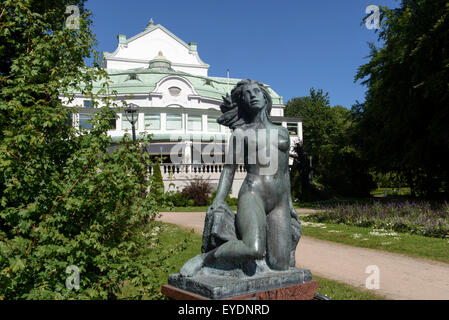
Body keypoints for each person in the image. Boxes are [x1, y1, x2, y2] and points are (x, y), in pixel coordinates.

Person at [180, 79, 301, 277]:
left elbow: (285, 172)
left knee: (281, 265)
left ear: (265, 97)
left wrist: (289, 204)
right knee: (253, 248)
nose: (252, 95)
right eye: (246, 94)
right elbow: (229, 169)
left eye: (256, 91)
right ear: (242, 101)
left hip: (279, 202)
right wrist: (218, 200)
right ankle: (206, 258)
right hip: (254, 194)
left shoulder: (282, 132)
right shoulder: (241, 133)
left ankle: (253, 266)